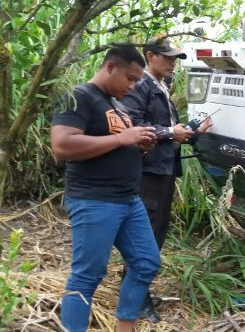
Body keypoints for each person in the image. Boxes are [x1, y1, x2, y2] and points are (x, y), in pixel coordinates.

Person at [51, 44, 161, 332]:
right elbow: (62, 144)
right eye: (131, 78)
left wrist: (139, 146)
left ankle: (124, 328)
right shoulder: (78, 96)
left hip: (128, 199)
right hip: (95, 200)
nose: (134, 85)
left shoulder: (117, 104)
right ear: (110, 66)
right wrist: (122, 140)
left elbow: (115, 145)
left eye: (137, 80)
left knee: (147, 263)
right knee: (87, 275)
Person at [121, 37, 210, 322]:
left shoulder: (161, 87)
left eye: (175, 58)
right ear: (150, 56)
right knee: (145, 234)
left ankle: (137, 290)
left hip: (164, 170)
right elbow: (133, 126)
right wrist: (171, 132)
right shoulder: (140, 86)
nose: (173, 63)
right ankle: (137, 300)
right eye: (168, 57)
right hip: (148, 172)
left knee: (156, 232)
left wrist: (190, 133)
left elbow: (166, 129)